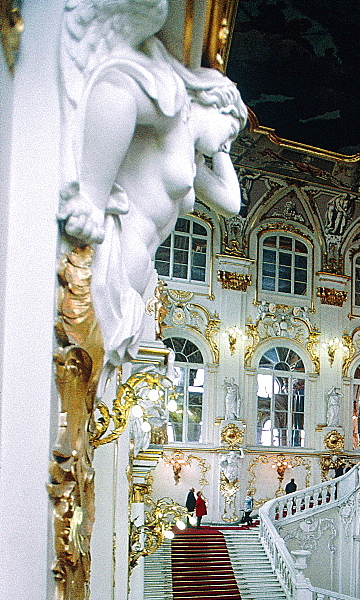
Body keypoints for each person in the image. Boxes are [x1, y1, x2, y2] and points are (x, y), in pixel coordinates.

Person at [58, 1, 247, 383]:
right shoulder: (173, 104)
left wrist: (222, 142)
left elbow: (231, 203)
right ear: (215, 102)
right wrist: (92, 198)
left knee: (87, 383)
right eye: (232, 129)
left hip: (135, 273)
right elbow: (115, 91)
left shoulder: (190, 159)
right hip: (108, 247)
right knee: (75, 372)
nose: (230, 140)